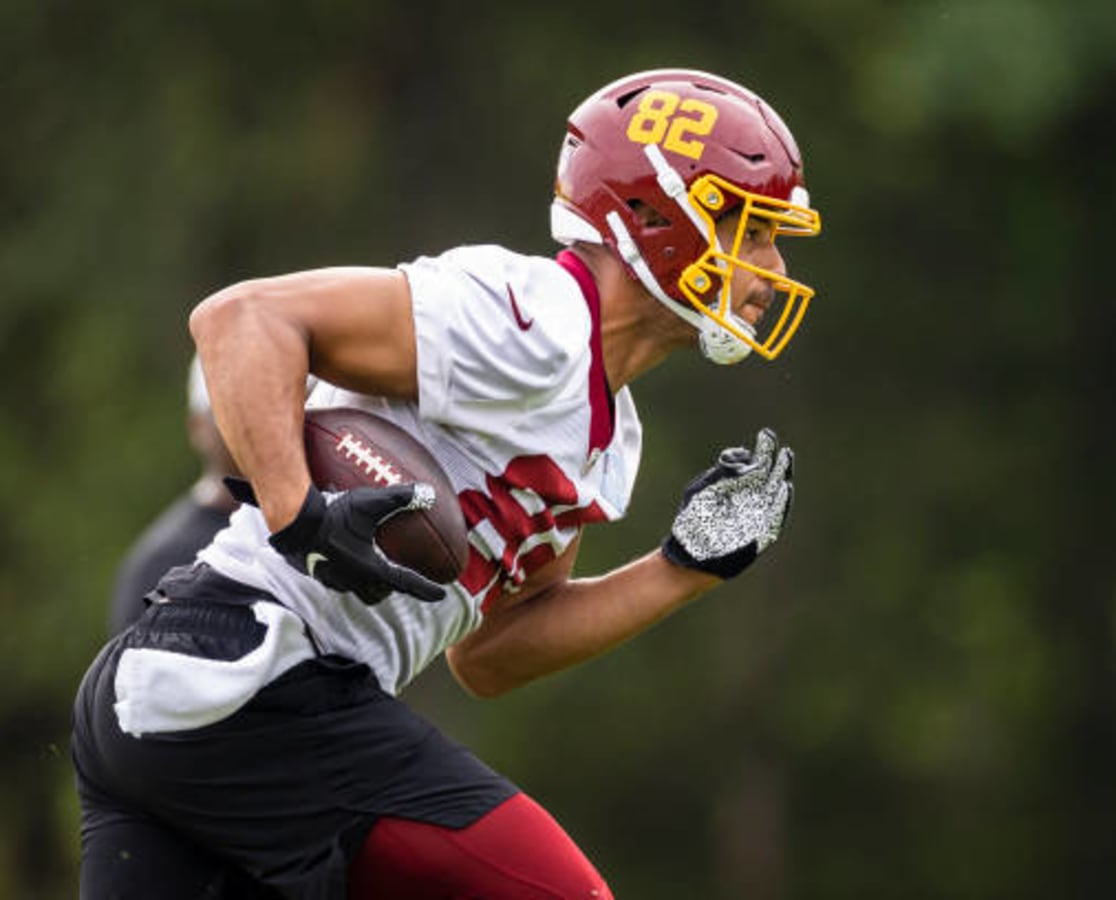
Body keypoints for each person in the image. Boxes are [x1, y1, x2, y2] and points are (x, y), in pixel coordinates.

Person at [71, 68, 822, 899]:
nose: (772, 266)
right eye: (752, 231)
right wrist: (298, 512)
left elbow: (490, 655)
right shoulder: (528, 318)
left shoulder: (612, 436)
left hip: (191, 706)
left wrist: (682, 568)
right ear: (653, 216)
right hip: (248, 674)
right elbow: (240, 319)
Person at [107, 355, 241, 635]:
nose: (250, 423)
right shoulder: (160, 563)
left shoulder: (316, 524)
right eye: (230, 409)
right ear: (198, 428)